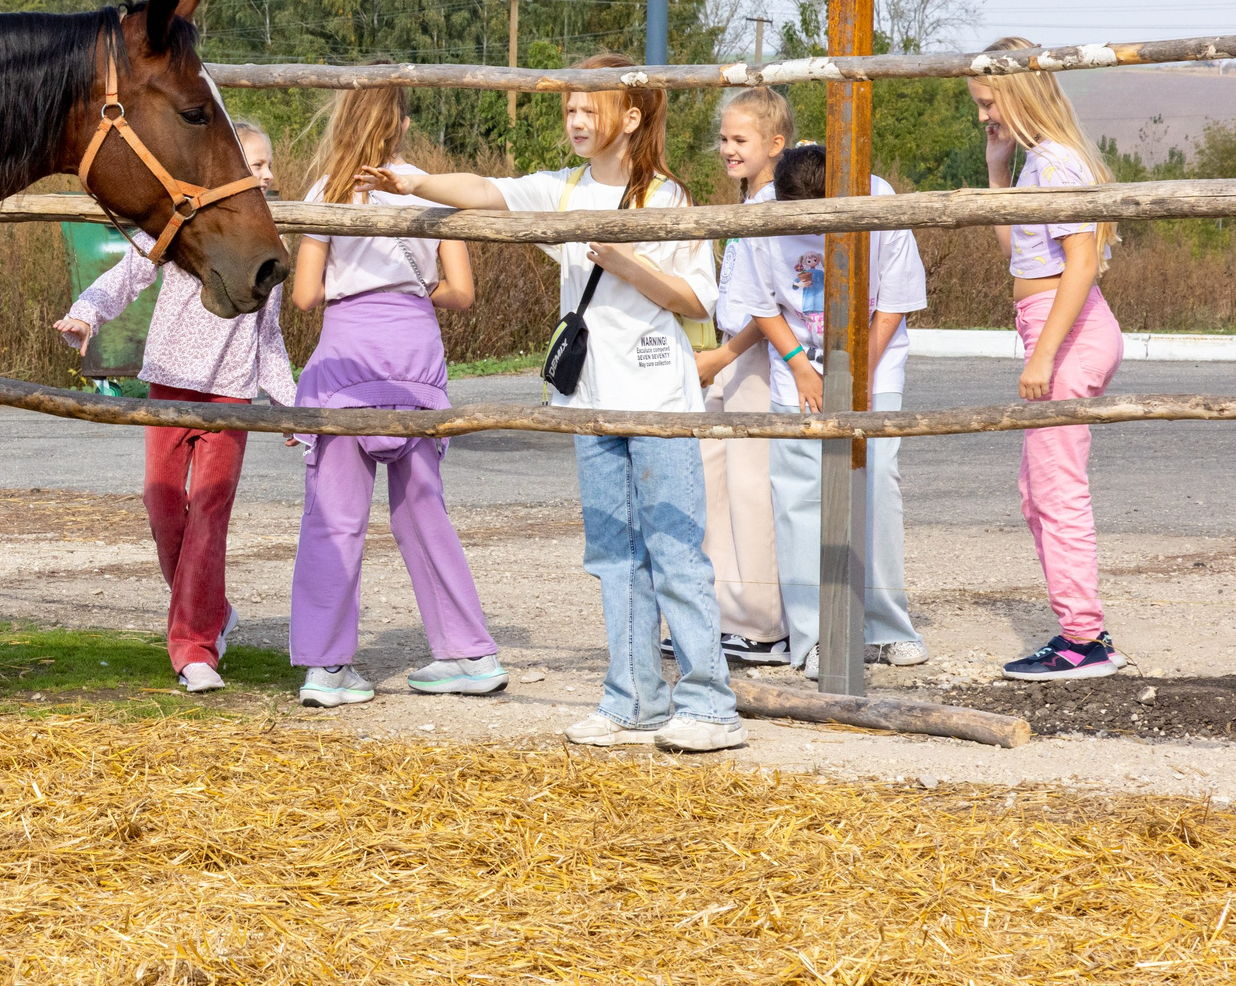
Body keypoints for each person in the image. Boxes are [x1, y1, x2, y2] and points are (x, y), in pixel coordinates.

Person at [373, 53, 743, 754]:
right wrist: (416, 179)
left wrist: (626, 261)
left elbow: (699, 299)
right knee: (612, 553)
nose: (575, 120)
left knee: (674, 549)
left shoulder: (669, 201)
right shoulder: (563, 189)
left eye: (588, 108)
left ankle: (709, 703)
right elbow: (486, 190)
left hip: (659, 395)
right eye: (568, 108)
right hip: (589, 396)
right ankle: (633, 699)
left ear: (631, 116)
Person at [54, 120, 297, 694]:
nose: (266, 175)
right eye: (255, 165)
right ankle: (214, 612)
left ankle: (195, 651)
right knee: (164, 508)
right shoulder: (180, 225)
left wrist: (289, 405)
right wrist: (87, 311)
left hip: (231, 395)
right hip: (170, 387)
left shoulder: (268, 245)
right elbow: (126, 275)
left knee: (209, 516)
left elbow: (271, 334)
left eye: (267, 166)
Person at [284, 85, 503, 708]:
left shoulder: (325, 189)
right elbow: (460, 291)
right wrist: (406, 293)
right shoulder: (430, 190)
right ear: (403, 123)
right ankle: (468, 653)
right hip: (414, 357)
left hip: (347, 359)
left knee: (335, 519)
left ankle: (327, 669)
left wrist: (357, 288)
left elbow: (304, 296)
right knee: (422, 513)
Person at [965, 39, 1127, 680]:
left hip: (1066, 331)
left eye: (987, 103)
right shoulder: (1037, 163)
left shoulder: (1058, 163)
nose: (983, 115)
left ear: (1019, 92)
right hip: (1054, 327)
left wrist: (1045, 355)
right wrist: (996, 169)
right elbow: (1020, 254)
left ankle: (1084, 641)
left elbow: (1081, 264)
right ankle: (1080, 629)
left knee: (1056, 491)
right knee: (1039, 490)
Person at [734, 143, 928, 676]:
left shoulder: (878, 198)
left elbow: (897, 296)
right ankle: (813, 636)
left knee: (876, 480)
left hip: (874, 359)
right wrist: (800, 366)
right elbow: (760, 302)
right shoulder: (761, 215)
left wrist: (857, 374)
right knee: (797, 492)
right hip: (795, 365)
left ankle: (884, 626)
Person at [690, 88, 791, 664]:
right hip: (729, 349)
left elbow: (767, 302)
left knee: (752, 484)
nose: (727, 149)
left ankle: (762, 622)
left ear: (775, 144)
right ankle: (723, 608)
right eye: (724, 139)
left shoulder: (775, 204)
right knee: (715, 483)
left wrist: (725, 356)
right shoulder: (747, 201)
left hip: (753, 356)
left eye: (740, 140)